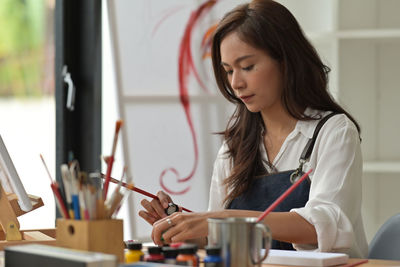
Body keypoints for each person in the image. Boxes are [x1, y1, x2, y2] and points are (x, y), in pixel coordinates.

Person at [139, 0, 368, 258]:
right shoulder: (235, 146)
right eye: (228, 71)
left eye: (247, 67)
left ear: (285, 61)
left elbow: (323, 225)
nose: (236, 83)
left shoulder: (333, 133)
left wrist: (224, 218)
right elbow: (216, 234)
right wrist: (182, 227)